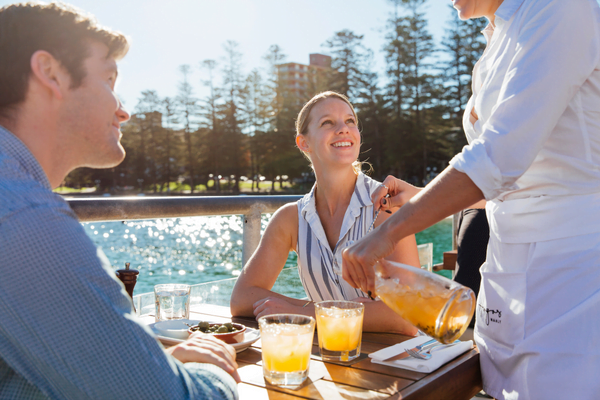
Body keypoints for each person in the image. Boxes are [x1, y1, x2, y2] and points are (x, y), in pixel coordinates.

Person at [342, 0, 600, 399]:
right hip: (504, 273)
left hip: (571, 275)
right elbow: (516, 181)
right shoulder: (498, 35)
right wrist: (422, 198)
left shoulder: (561, 8)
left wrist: (390, 232)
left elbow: (498, 157)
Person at [0, 3, 239, 399]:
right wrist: (208, 368)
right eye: (109, 79)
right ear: (50, 73)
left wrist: (146, 362)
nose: (123, 110)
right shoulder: (24, 218)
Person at [230, 91, 420, 334]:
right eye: (328, 122)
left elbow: (408, 316)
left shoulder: (386, 206)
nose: (343, 128)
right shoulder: (290, 219)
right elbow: (242, 298)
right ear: (304, 143)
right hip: (328, 358)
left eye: (350, 121)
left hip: (398, 361)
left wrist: (303, 313)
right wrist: (339, 311)